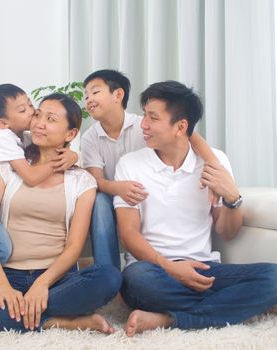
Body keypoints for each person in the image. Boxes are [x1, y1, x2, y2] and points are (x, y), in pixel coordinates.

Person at [0, 93, 122, 333]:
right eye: (38, 115)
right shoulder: (5, 168)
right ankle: (52, 321)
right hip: (8, 275)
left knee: (109, 277)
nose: (39, 123)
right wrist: (2, 287)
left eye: (50, 119)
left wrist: (42, 284)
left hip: (55, 280)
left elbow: (74, 247)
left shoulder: (83, 182)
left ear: (70, 134)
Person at [113, 81, 277, 336]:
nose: (143, 124)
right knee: (137, 280)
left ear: (181, 127)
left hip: (204, 269)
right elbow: (129, 235)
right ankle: (236, 306)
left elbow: (228, 232)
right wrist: (171, 267)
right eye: (144, 115)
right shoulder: (130, 165)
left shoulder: (215, 162)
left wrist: (233, 198)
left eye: (152, 118)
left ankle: (168, 319)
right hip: (153, 269)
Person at [81, 70, 219, 270]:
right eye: (86, 96)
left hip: (144, 197)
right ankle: (108, 275)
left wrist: (213, 166)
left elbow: (189, 136)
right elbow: (96, 182)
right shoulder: (90, 138)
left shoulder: (143, 124)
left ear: (118, 95)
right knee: (100, 202)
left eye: (95, 92)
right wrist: (118, 188)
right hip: (114, 196)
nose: (89, 100)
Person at [0, 84, 78, 278]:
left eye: (30, 104)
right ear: (3, 123)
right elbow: (31, 176)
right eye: (23, 110)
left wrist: (73, 155)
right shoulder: (2, 138)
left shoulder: (22, 138)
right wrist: (60, 161)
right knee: (2, 248)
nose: (32, 112)